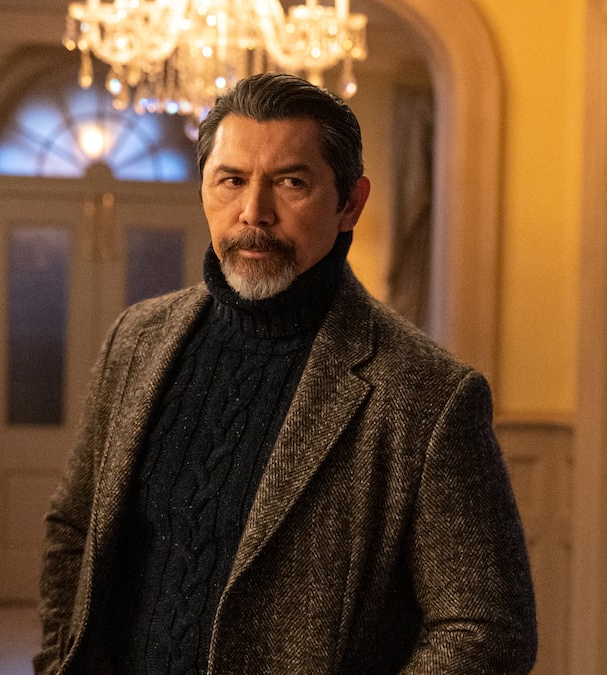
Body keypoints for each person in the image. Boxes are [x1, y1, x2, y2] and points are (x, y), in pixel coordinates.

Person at [34, 72, 537, 674]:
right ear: (204, 187)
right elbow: (74, 528)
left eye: (290, 182)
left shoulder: (426, 394)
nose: (254, 212)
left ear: (350, 203)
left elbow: (488, 629)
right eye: (232, 180)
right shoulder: (136, 339)